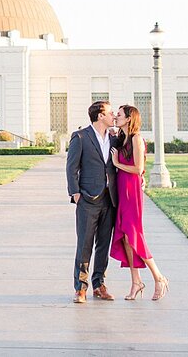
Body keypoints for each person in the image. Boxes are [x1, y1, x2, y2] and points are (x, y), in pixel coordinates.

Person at [109, 104, 169, 301]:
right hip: (121, 191)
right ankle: (136, 282)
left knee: (134, 236)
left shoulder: (136, 139)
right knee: (125, 237)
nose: (116, 117)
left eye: (119, 115)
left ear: (129, 118)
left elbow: (138, 169)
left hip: (131, 192)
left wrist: (118, 164)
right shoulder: (121, 138)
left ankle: (159, 278)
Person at [65, 100, 119, 303]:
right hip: (87, 198)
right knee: (85, 244)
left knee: (103, 244)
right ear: (100, 116)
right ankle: (81, 288)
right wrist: (75, 193)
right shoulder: (80, 137)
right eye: (110, 112)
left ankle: (99, 284)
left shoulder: (113, 138)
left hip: (109, 198)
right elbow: (71, 168)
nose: (113, 115)